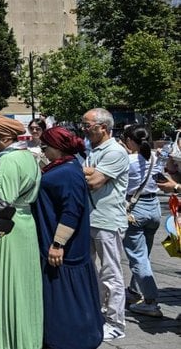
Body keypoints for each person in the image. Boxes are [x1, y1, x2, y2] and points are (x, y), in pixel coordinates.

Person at [33, 127, 103, 349]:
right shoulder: (68, 167)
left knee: (67, 299)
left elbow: (71, 211)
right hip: (66, 249)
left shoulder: (67, 172)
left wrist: (57, 244)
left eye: (45, 147)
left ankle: (70, 340)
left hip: (65, 250)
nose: (43, 150)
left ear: (58, 147)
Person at [0, 116, 42, 349]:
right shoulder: (29, 157)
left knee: (8, 285)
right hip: (25, 223)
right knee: (25, 286)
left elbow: (1, 202)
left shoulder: (8, 161)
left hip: (7, 229)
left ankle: (9, 340)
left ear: (6, 138)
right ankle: (28, 338)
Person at [81, 107, 129, 341]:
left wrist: (88, 172)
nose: (84, 129)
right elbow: (87, 175)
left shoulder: (115, 151)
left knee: (110, 273)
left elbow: (95, 182)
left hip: (108, 220)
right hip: (92, 218)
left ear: (103, 127)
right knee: (92, 271)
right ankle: (99, 315)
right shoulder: (94, 149)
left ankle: (115, 323)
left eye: (87, 125)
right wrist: (87, 171)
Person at [120, 124, 163, 317]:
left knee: (138, 257)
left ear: (129, 141)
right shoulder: (155, 157)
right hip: (154, 207)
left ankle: (151, 301)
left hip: (135, 208)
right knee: (144, 254)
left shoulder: (127, 160)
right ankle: (134, 291)